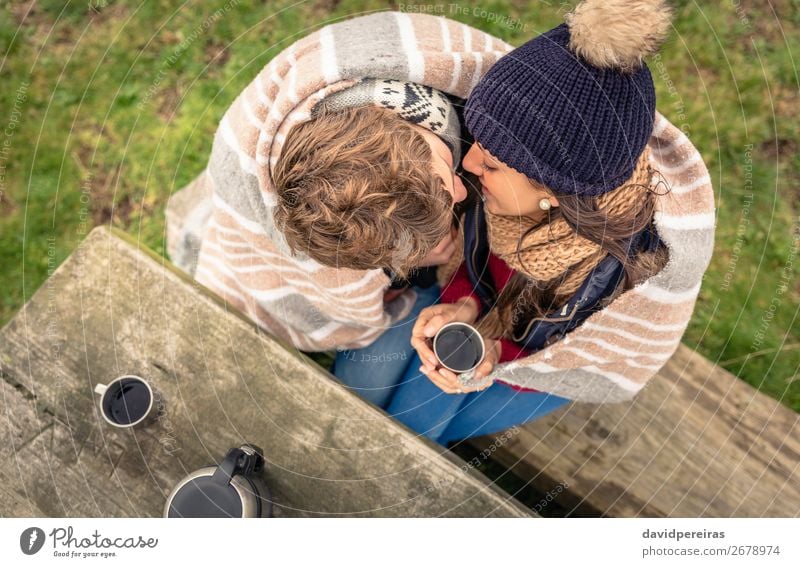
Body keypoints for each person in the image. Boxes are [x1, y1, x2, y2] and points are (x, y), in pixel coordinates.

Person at [385, 0, 716, 446]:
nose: (469, 160)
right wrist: (464, 304)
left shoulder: (626, 270)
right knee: (383, 394)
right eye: (479, 142)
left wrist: (501, 354)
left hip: (540, 369)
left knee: (411, 428)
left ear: (555, 194)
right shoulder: (499, 198)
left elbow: (578, 356)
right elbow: (477, 264)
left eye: (495, 165)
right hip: (482, 332)